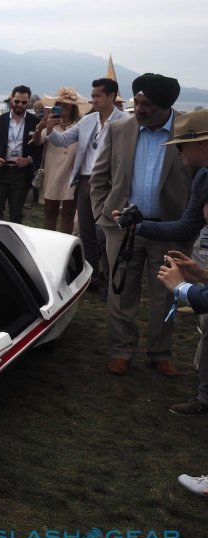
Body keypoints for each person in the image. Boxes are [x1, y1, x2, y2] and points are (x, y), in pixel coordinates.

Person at [90, 73, 193, 377]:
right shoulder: (120, 129)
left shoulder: (186, 130)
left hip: (170, 230)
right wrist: (103, 216)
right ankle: (122, 350)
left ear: (165, 105)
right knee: (121, 291)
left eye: (147, 104)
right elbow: (99, 177)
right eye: (137, 102)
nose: (140, 109)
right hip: (123, 229)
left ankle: (160, 353)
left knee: (166, 294)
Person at [139, 109, 208, 413]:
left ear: (202, 144)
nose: (177, 150)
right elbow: (186, 225)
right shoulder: (203, 177)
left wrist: (182, 288)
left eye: (181, 143)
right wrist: (138, 225)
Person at [38, 78, 126, 289]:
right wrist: (50, 130)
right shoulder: (87, 121)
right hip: (85, 181)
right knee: (86, 232)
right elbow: (63, 140)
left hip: (111, 183)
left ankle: (109, 279)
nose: (93, 99)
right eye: (92, 95)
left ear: (111, 96)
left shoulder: (125, 122)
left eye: (98, 96)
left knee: (108, 234)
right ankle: (93, 278)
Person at [0, 85, 42, 223]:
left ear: (28, 102)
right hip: (1, 170)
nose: (20, 105)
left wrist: (28, 159)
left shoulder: (35, 122)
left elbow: (40, 147)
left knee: (16, 213)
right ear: (12, 100)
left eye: (24, 102)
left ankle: (12, 242)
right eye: (17, 101)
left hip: (21, 173)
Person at [31, 87, 82, 233]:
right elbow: (37, 142)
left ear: (73, 106)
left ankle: (66, 243)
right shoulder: (50, 123)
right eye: (59, 104)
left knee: (68, 213)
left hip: (71, 171)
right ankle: (49, 240)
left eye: (66, 104)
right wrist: (39, 127)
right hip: (52, 169)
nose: (63, 106)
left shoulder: (79, 125)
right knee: (50, 211)